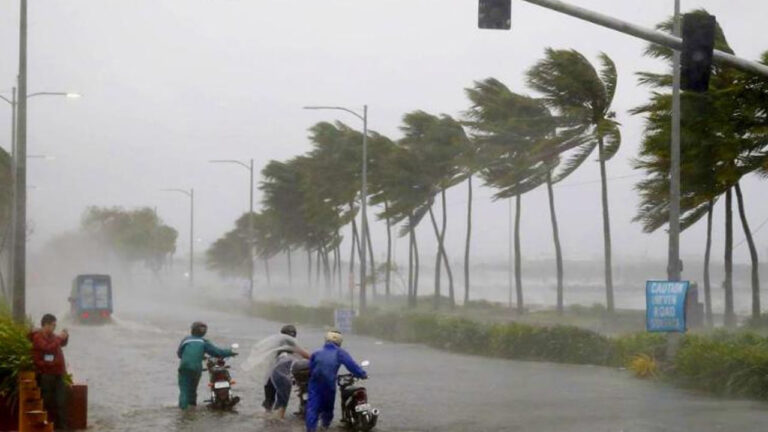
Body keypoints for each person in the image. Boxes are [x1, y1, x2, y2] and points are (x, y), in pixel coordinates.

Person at [305, 329, 367, 432]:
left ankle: (311, 429)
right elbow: (352, 366)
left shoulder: (316, 353)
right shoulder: (340, 353)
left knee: (312, 408)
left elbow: (311, 368)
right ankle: (324, 427)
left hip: (314, 384)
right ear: (339, 341)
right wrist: (363, 374)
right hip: (329, 384)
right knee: (328, 408)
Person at [176, 321, 236, 409]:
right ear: (204, 332)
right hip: (196, 368)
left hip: (184, 367)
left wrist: (197, 356)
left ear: (192, 330)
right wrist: (229, 352)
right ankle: (192, 408)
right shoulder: (203, 342)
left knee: (184, 390)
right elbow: (217, 352)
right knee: (193, 390)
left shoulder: (186, 340)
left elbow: (179, 354)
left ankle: (183, 411)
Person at [31, 313, 69, 431]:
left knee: (61, 402)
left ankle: (62, 427)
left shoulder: (52, 336)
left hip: (58, 372)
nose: (54, 328)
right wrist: (59, 338)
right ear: (45, 325)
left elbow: (61, 343)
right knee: (47, 402)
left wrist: (65, 337)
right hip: (46, 373)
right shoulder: (38, 337)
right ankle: (47, 427)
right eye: (52, 325)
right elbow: (48, 348)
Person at [262, 324, 310, 413]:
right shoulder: (291, 345)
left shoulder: (276, 345)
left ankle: (269, 418)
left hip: (273, 375)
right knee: (281, 403)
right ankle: (277, 419)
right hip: (284, 375)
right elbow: (307, 355)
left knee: (270, 399)